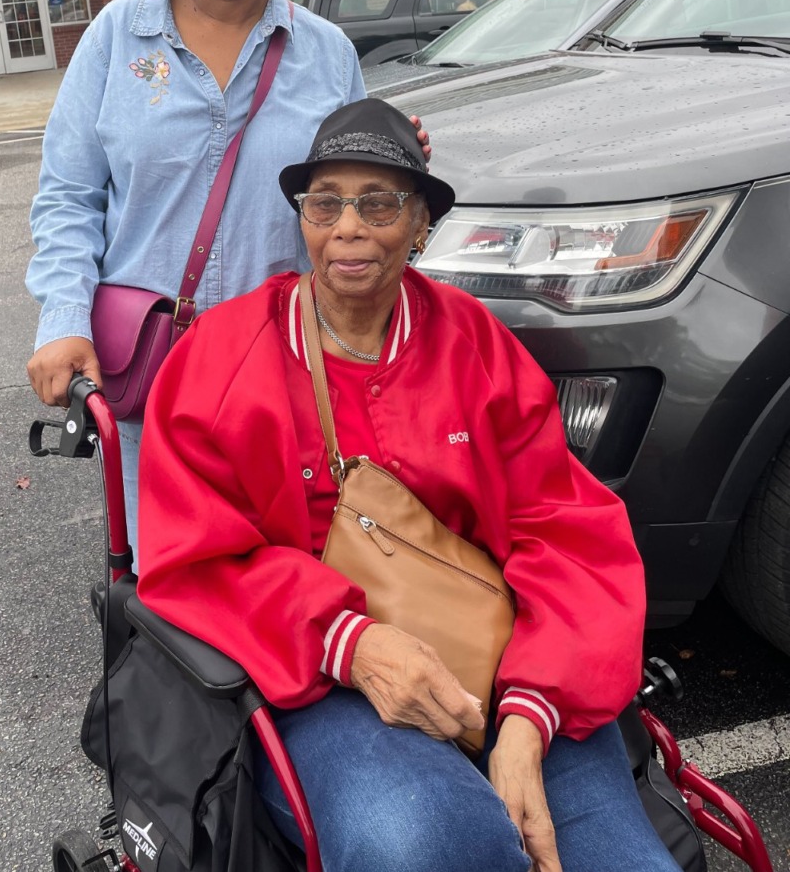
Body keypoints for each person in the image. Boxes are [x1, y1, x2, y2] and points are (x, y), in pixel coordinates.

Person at [136, 98, 681, 872]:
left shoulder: (476, 345)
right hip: (320, 677)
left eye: (380, 202)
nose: (348, 227)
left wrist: (528, 718)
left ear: (422, 222)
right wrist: (349, 641)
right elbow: (192, 556)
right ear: (302, 217)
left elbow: (565, 530)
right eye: (325, 202)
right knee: (434, 842)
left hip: (501, 658)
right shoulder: (220, 358)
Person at [24, 0, 428, 560]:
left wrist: (394, 171)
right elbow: (69, 197)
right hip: (152, 376)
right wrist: (63, 318)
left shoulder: (325, 53)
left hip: (283, 374)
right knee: (165, 579)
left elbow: (346, 205)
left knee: (286, 572)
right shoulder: (118, 39)